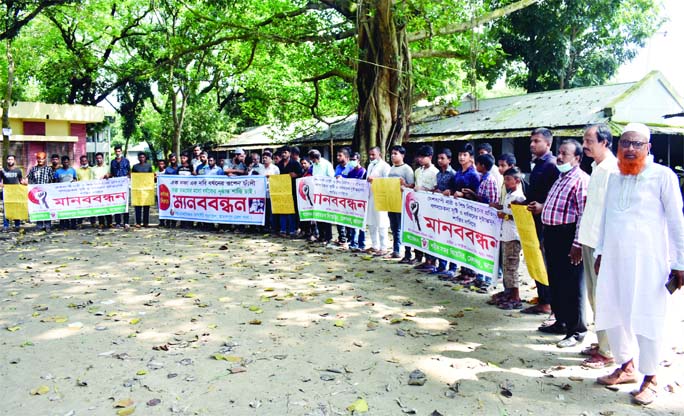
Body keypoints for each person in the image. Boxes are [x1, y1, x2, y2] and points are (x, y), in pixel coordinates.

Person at [594, 123, 684, 406]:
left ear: (649, 148)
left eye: (637, 144)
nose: (630, 148)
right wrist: (599, 251)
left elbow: (676, 221)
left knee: (648, 316)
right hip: (613, 259)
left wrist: (680, 262)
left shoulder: (662, 176)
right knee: (613, 310)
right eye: (625, 143)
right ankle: (626, 366)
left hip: (649, 262)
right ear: (618, 148)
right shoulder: (615, 177)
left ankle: (651, 377)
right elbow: (606, 217)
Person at [531, 139, 588, 348]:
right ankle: (561, 321)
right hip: (553, 234)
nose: (560, 157)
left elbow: (582, 214)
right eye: (559, 153)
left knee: (572, 285)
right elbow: (556, 207)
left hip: (568, 236)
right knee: (555, 280)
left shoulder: (580, 180)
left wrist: (578, 244)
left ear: (577, 159)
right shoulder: (561, 178)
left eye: (565, 154)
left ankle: (577, 330)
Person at [577, 124, 618, 369]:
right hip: (589, 239)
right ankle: (601, 343)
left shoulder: (611, 170)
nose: (585, 144)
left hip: (600, 244)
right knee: (594, 297)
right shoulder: (596, 167)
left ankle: (608, 351)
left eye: (589, 140)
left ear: (604, 142)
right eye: (584, 139)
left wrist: (604, 249)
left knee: (603, 298)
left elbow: (610, 213)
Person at [522, 127, 559, 316]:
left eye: (537, 141)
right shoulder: (537, 164)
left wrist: (543, 206)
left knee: (544, 260)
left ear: (548, 143)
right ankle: (542, 297)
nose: (532, 144)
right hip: (532, 219)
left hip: (546, 221)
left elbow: (556, 195)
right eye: (531, 141)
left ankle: (548, 301)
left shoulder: (552, 165)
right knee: (535, 258)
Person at [445, 143, 480, 282]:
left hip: (470, 213)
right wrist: (450, 192)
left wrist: (464, 195)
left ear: (471, 158)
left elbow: (477, 195)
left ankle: (471, 273)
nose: (461, 157)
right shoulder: (458, 173)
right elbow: (453, 188)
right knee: (461, 240)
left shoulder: (474, 174)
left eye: (464, 155)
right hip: (458, 211)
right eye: (460, 155)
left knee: (470, 241)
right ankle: (463, 270)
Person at [494, 167, 526, 309]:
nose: (506, 182)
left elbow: (520, 216)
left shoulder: (519, 197)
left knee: (512, 266)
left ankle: (515, 296)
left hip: (513, 235)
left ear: (517, 180)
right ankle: (508, 292)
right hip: (505, 234)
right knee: (506, 266)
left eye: (508, 179)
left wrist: (505, 216)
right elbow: (506, 208)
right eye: (505, 179)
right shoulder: (509, 194)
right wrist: (498, 207)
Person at [411, 145, 439, 271]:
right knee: (418, 230)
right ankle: (419, 256)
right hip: (417, 205)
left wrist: (424, 190)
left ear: (430, 157)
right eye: (419, 157)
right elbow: (415, 186)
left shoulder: (435, 172)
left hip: (430, 207)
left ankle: (431, 261)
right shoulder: (417, 171)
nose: (420, 159)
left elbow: (437, 190)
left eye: (423, 157)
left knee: (430, 233)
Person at [432, 148, 458, 276]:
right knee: (441, 237)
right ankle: (441, 265)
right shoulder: (438, 174)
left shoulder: (453, 174)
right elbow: (438, 187)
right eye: (438, 158)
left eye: (442, 158)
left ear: (449, 159)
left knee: (451, 238)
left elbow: (454, 191)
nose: (440, 161)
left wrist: (449, 193)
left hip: (450, 211)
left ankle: (452, 267)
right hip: (439, 210)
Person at [388, 146, 415, 263]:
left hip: (403, 203)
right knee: (394, 227)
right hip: (391, 201)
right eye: (392, 154)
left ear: (402, 155)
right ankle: (396, 250)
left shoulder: (407, 169)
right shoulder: (391, 168)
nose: (393, 156)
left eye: (395, 153)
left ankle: (408, 253)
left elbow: (412, 185)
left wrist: (405, 185)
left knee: (403, 227)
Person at [365, 146, 391, 257]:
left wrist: (375, 180)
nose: (371, 157)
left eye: (373, 155)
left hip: (381, 197)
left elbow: (389, 182)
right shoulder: (370, 165)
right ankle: (375, 245)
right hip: (370, 197)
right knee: (371, 222)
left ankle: (384, 247)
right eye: (370, 155)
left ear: (379, 154)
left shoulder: (385, 166)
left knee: (382, 223)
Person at [308, 149, 335, 245]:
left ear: (316, 158)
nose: (312, 162)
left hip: (326, 193)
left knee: (326, 217)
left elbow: (332, 177)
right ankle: (321, 235)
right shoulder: (314, 166)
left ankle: (328, 237)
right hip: (317, 193)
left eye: (312, 160)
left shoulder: (326, 164)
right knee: (318, 215)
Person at [276, 146, 302, 238]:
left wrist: (296, 175)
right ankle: (283, 229)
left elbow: (301, 174)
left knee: (292, 211)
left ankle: (292, 230)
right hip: (281, 191)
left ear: (290, 154)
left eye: (285, 152)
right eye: (282, 153)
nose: (283, 154)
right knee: (282, 210)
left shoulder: (295, 164)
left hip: (293, 191)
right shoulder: (279, 164)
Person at [27, 152, 55, 232]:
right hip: (36, 193)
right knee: (38, 208)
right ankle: (39, 225)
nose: (40, 160)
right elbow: (30, 179)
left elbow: (52, 180)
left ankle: (47, 225)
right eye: (38, 158)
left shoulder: (48, 169)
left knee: (46, 208)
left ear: (45, 159)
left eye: (42, 158)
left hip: (46, 193)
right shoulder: (33, 169)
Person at [345, 152, 367, 252]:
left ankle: (361, 244)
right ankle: (353, 242)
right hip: (352, 200)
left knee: (361, 223)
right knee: (353, 222)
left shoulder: (363, 172)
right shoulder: (350, 172)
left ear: (358, 160)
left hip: (361, 200)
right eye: (351, 160)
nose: (352, 162)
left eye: (354, 160)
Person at [334, 147, 353, 248]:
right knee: (339, 218)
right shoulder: (338, 167)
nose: (337, 157)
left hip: (350, 197)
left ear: (346, 157)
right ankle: (342, 238)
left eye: (340, 155)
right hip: (339, 196)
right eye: (337, 155)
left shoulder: (352, 166)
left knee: (349, 218)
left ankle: (350, 238)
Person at [110, 145, 131, 229]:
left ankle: (126, 222)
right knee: (117, 203)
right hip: (116, 185)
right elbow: (112, 173)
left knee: (125, 204)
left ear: (121, 152)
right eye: (116, 151)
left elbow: (129, 171)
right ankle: (118, 222)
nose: (118, 153)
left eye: (119, 151)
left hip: (124, 185)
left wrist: (129, 179)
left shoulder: (126, 161)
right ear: (114, 152)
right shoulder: (112, 162)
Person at [54, 155, 78, 230]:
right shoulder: (58, 171)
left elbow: (75, 179)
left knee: (72, 208)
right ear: (62, 163)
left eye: (67, 162)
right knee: (63, 209)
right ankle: (64, 224)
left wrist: (74, 181)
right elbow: (55, 182)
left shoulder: (73, 170)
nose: (66, 163)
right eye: (64, 162)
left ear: (69, 162)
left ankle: (73, 224)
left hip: (71, 193)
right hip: (61, 194)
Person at [1, 155, 23, 231]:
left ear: (14, 161)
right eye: (9, 159)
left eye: (12, 159)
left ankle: (17, 225)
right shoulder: (2, 170)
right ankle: (6, 226)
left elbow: (21, 181)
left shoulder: (18, 170)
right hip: (6, 193)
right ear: (7, 161)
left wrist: (24, 183)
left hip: (16, 192)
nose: (10, 161)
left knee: (16, 208)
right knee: (6, 209)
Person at [132, 152, 153, 228]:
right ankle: (138, 222)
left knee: (146, 207)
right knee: (138, 206)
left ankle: (146, 222)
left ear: (145, 158)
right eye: (140, 157)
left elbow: (151, 177)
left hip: (146, 189)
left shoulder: (149, 166)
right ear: (138, 158)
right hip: (137, 189)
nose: (141, 159)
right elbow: (133, 177)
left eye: (143, 157)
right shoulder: (135, 167)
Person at [91, 152, 112, 229]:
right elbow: (91, 179)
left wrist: (108, 175)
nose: (99, 160)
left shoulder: (107, 167)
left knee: (107, 206)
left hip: (106, 189)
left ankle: (109, 222)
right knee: (100, 206)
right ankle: (101, 223)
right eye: (97, 158)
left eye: (100, 158)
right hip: (97, 190)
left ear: (103, 158)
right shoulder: (93, 169)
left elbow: (111, 175)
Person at [76, 155, 96, 228]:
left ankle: (93, 222)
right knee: (80, 207)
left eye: (85, 161)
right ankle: (79, 223)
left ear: (87, 161)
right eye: (82, 161)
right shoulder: (77, 170)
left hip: (91, 191)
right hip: (81, 192)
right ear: (80, 162)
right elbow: (76, 180)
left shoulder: (92, 169)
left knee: (91, 207)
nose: (84, 162)